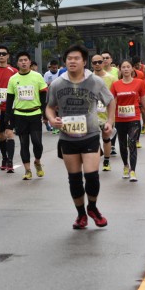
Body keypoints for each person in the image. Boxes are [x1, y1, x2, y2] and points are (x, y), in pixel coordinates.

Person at [46, 44, 115, 230]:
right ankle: (81, 214)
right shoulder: (57, 84)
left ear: (84, 62)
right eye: (69, 58)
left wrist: (110, 122)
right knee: (74, 178)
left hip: (90, 134)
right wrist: (52, 119)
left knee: (92, 176)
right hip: (67, 137)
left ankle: (92, 207)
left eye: (76, 58)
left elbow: (110, 101)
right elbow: (50, 107)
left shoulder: (95, 82)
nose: (72, 61)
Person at [6, 51, 48, 180]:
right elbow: (9, 100)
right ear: (17, 63)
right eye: (21, 60)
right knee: (24, 144)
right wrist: (9, 119)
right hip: (19, 115)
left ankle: (37, 162)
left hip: (35, 114)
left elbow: (43, 96)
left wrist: (44, 113)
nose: (23, 62)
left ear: (30, 62)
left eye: (25, 60)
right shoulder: (13, 79)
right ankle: (28, 170)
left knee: (37, 143)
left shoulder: (37, 76)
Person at [111, 60, 145, 182]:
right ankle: (125, 166)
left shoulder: (139, 83)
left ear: (132, 69)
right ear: (120, 69)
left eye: (128, 67)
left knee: (132, 143)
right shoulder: (115, 85)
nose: (126, 69)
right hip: (120, 119)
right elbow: (113, 102)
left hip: (134, 118)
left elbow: (143, 100)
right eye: (123, 67)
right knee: (122, 145)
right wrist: (111, 119)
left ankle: (133, 171)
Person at [91, 54, 116, 171]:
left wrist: (113, 115)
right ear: (92, 64)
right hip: (92, 114)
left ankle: (106, 161)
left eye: (99, 62)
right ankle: (95, 162)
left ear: (103, 63)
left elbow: (114, 97)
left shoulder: (111, 78)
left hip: (106, 113)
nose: (97, 64)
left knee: (106, 137)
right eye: (94, 62)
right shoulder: (88, 78)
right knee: (93, 140)